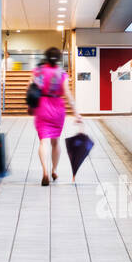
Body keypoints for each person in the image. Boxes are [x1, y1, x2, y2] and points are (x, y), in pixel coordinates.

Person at [32, 46, 82, 185]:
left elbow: (30, 88)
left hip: (42, 107)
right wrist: (76, 113)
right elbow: (67, 94)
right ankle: (54, 170)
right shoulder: (61, 73)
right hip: (57, 109)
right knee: (55, 142)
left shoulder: (38, 71)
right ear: (59, 59)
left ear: (46, 57)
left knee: (43, 141)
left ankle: (45, 172)